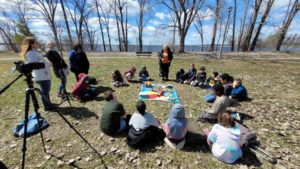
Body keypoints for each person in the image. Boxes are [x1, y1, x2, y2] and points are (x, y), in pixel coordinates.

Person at [20, 37, 54, 111]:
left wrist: (47, 63)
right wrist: (47, 64)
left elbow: (40, 61)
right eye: (36, 42)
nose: (38, 43)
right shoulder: (31, 53)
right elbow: (34, 65)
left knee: (46, 91)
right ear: (32, 44)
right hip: (41, 76)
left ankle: (49, 103)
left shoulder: (35, 51)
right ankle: (47, 106)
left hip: (44, 75)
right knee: (45, 92)